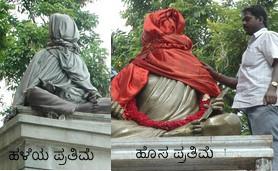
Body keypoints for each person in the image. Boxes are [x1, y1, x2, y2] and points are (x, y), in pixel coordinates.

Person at [111, 8, 240, 138]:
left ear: (148, 34)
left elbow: (210, 109)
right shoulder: (137, 66)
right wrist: (114, 108)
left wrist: (214, 109)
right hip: (162, 130)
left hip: (191, 128)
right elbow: (117, 107)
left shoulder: (195, 67)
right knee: (110, 125)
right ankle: (169, 135)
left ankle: (164, 136)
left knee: (229, 121)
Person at [205, 5, 278, 169]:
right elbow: (238, 82)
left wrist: (273, 88)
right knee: (262, 150)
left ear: (260, 19)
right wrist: (213, 74)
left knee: (270, 147)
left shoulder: (268, 37)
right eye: (243, 20)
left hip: (264, 103)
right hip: (252, 106)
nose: (244, 23)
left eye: (248, 19)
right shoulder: (250, 48)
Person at [12, 13, 110, 116]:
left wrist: (92, 95)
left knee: (108, 103)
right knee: (33, 93)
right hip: (55, 100)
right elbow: (27, 88)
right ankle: (77, 109)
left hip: (79, 98)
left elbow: (87, 86)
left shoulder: (77, 59)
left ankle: (79, 107)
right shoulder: (43, 55)